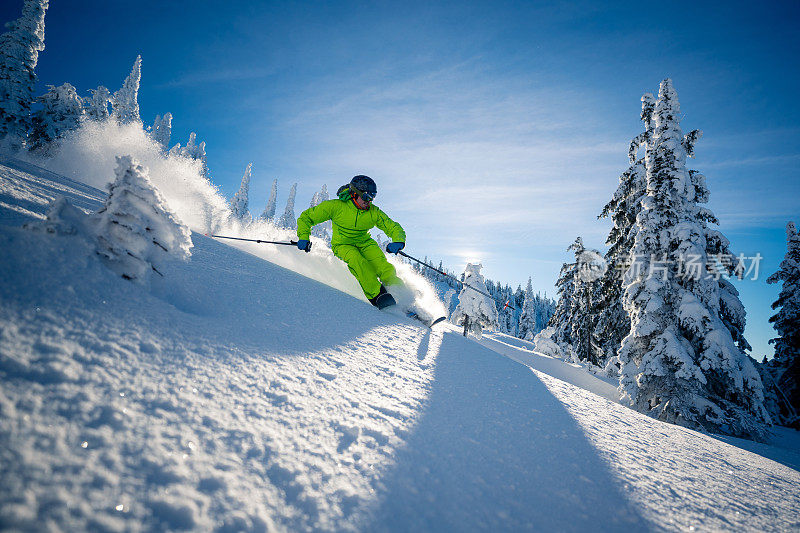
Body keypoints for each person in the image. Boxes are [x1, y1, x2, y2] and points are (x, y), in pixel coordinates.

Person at [296, 175, 406, 308]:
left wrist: (398, 240)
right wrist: (303, 237)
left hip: (365, 243)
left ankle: (404, 299)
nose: (369, 201)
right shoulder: (336, 206)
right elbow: (306, 217)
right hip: (343, 244)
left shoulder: (373, 211)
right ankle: (379, 297)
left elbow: (392, 226)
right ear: (355, 194)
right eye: (366, 197)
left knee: (384, 268)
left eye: (372, 197)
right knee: (358, 261)